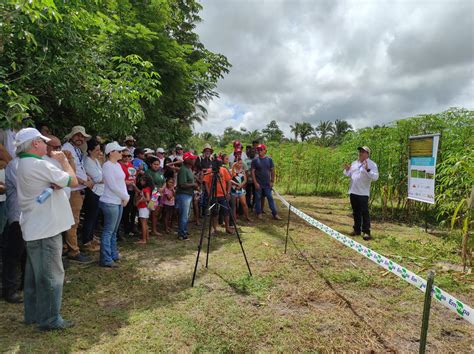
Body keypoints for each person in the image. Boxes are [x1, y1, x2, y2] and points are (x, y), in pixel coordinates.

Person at [15, 127, 78, 331]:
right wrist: (64, 162)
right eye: (43, 141)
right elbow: (72, 180)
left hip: (36, 227)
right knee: (51, 275)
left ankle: (33, 314)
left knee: (34, 276)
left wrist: (54, 183)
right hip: (46, 228)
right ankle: (50, 320)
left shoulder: (24, 163)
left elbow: (54, 184)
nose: (46, 145)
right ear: (35, 143)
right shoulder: (37, 164)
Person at [62, 126, 93, 262]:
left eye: (82, 136)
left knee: (72, 221)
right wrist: (84, 182)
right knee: (73, 222)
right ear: (71, 136)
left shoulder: (76, 149)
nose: (80, 138)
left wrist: (86, 178)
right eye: (77, 135)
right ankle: (73, 251)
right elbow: (68, 170)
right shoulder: (67, 148)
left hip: (77, 189)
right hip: (73, 189)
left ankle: (66, 248)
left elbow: (78, 168)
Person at [99, 142, 129, 268]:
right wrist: (125, 196)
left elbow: (121, 183)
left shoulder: (117, 165)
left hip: (118, 201)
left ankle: (113, 254)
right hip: (110, 201)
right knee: (108, 231)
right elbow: (112, 185)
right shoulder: (107, 166)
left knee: (114, 231)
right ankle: (106, 259)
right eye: (119, 151)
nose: (122, 153)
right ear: (111, 152)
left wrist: (124, 196)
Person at [2, 156, 25, 304]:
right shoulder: (15, 165)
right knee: (13, 254)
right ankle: (9, 289)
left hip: (29, 217)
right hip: (17, 217)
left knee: (26, 254)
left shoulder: (36, 164)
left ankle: (23, 284)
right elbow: (26, 187)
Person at [343, 146, 379, 241]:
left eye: (363, 152)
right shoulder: (354, 163)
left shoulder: (372, 164)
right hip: (353, 191)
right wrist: (347, 169)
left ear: (367, 154)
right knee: (356, 212)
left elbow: (375, 177)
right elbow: (348, 174)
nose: (360, 153)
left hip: (363, 193)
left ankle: (366, 232)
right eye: (360, 151)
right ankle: (357, 230)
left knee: (364, 212)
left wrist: (368, 170)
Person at [82, 139, 104, 250]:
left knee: (94, 216)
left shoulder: (95, 160)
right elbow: (99, 178)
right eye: (96, 150)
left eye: (100, 150)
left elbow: (100, 176)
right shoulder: (87, 161)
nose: (99, 152)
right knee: (90, 216)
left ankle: (91, 237)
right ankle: (86, 240)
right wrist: (106, 178)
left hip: (99, 191)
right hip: (92, 192)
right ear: (89, 151)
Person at [251, 144, 282, 220]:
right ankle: (259, 213)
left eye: (261, 149)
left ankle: (275, 214)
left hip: (267, 184)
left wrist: (272, 181)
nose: (259, 151)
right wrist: (255, 183)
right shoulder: (255, 160)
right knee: (258, 198)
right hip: (258, 184)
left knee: (270, 198)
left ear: (265, 151)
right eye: (258, 150)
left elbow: (272, 171)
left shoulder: (269, 159)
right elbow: (252, 172)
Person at [203, 159, 234, 235]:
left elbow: (229, 181)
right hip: (213, 195)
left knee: (226, 211)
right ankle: (214, 229)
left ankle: (227, 228)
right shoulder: (210, 171)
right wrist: (209, 193)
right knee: (214, 212)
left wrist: (228, 192)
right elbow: (206, 183)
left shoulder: (223, 170)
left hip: (223, 195)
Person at [175, 152, 198, 240]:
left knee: (186, 215)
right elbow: (182, 184)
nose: (194, 160)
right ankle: (182, 234)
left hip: (188, 194)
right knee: (184, 215)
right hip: (183, 195)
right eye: (192, 158)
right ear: (187, 160)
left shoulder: (189, 169)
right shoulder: (183, 169)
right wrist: (193, 185)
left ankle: (184, 230)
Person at [120, 149, 138, 237]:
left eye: (129, 156)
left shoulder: (131, 165)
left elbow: (134, 176)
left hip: (132, 189)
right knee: (125, 211)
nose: (127, 157)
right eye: (124, 156)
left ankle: (131, 228)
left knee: (132, 210)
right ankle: (125, 230)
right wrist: (126, 182)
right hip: (124, 190)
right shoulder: (119, 165)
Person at [146, 157, 165, 236]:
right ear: (151, 164)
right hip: (152, 194)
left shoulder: (160, 172)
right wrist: (157, 189)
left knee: (156, 213)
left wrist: (162, 188)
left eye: (158, 164)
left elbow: (164, 182)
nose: (156, 166)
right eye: (154, 164)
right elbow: (149, 184)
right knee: (150, 212)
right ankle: (147, 229)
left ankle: (154, 229)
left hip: (159, 194)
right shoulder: (148, 172)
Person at [231, 158, 252, 222]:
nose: (241, 164)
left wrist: (240, 185)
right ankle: (234, 219)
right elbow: (230, 179)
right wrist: (236, 184)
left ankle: (247, 217)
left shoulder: (242, 171)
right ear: (235, 163)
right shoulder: (232, 170)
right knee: (234, 205)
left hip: (241, 189)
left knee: (244, 203)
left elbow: (245, 180)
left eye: (241, 163)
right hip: (233, 189)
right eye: (239, 163)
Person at [135, 174, 154, 244]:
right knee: (145, 223)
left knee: (143, 223)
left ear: (145, 181)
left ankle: (143, 239)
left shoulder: (145, 189)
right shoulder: (149, 188)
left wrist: (139, 201)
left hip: (143, 207)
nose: (140, 182)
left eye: (142, 180)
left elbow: (148, 198)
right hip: (146, 207)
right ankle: (147, 237)